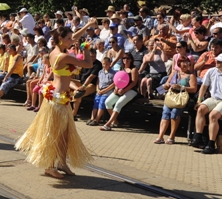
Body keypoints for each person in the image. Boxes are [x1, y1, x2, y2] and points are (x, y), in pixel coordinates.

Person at [15, 27, 93, 179]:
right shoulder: (63, 57)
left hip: (61, 98)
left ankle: (61, 163)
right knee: (54, 134)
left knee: (64, 134)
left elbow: (72, 37)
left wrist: (86, 26)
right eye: (69, 38)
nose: (73, 41)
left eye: (72, 38)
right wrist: (87, 48)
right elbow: (88, 63)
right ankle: (50, 166)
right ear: (61, 40)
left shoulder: (54, 52)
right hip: (57, 100)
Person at [154, 58, 197, 144]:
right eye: (183, 63)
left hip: (181, 99)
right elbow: (166, 84)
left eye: (187, 63)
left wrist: (181, 87)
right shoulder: (174, 73)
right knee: (165, 112)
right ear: (179, 64)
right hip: (171, 97)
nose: (185, 65)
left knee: (174, 113)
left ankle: (172, 136)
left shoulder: (191, 76)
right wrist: (162, 89)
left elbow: (194, 89)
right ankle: (160, 136)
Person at [100, 53, 139, 131]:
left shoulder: (134, 69)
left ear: (131, 60)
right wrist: (116, 88)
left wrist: (124, 90)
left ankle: (108, 124)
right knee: (108, 102)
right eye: (124, 58)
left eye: (127, 58)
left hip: (131, 90)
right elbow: (117, 80)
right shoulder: (121, 68)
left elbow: (134, 83)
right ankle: (115, 121)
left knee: (118, 104)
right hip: (120, 89)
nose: (126, 60)